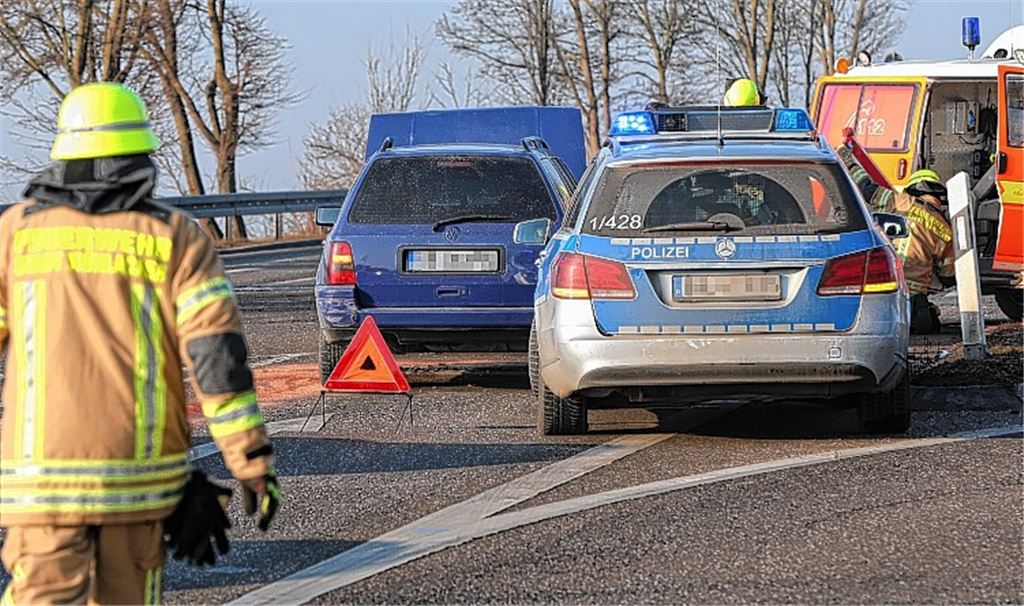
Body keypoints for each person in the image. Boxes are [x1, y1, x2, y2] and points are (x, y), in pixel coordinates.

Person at [0, 82, 280, 604]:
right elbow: (217, 360)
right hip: (138, 480)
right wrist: (250, 462)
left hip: (38, 487)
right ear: (141, 153)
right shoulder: (177, 237)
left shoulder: (14, 235)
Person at [840, 147, 955, 333]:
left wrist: (847, 159)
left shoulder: (901, 201)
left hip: (889, 285)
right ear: (938, 196)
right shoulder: (945, 229)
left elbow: (866, 188)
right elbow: (948, 276)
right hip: (915, 298)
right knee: (926, 327)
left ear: (914, 190)